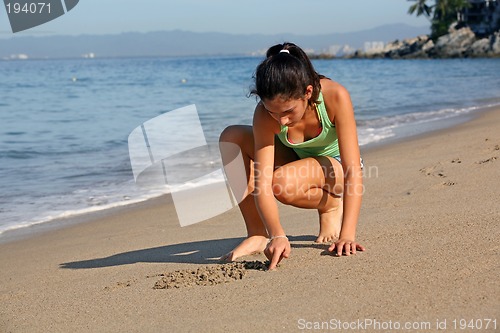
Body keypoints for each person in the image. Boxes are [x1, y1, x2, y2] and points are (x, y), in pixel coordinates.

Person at [219, 42, 365, 270]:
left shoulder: (335, 96)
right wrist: (277, 234)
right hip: (298, 161)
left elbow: (352, 170)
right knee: (231, 137)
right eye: (272, 112)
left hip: (334, 170)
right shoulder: (266, 114)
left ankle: (331, 204)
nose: (281, 121)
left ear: (307, 92)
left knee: (282, 184)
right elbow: (262, 182)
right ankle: (257, 233)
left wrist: (347, 235)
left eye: (288, 112)